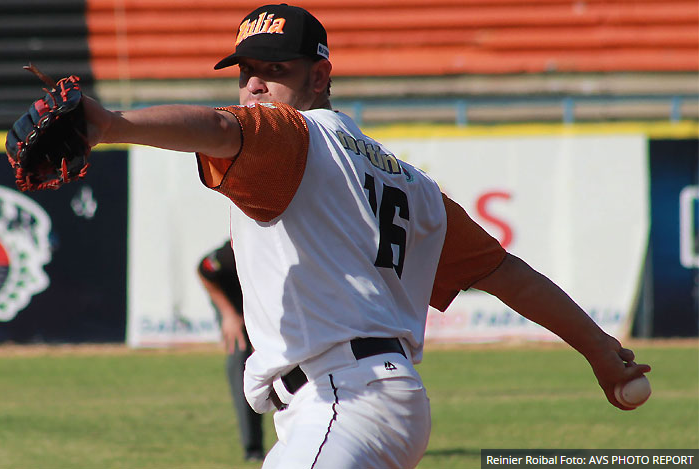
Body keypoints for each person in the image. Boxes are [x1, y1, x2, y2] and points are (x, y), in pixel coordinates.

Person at [78, 4, 651, 468]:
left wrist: (113, 126)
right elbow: (507, 275)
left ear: (320, 75)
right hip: (368, 401)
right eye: (245, 69)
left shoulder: (291, 135)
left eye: (274, 70)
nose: (254, 84)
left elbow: (220, 127)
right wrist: (600, 351)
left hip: (342, 399)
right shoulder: (411, 183)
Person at [197, 241, 264, 462]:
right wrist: (228, 314)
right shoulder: (231, 252)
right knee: (239, 360)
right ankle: (252, 448)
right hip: (234, 307)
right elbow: (204, 269)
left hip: (263, 307)